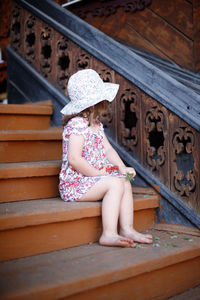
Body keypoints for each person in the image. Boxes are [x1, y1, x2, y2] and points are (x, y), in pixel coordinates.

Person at [59, 69, 152, 248]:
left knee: (123, 180)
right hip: (75, 183)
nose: (106, 103)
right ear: (95, 103)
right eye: (104, 100)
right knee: (115, 183)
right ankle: (109, 233)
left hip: (92, 177)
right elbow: (74, 159)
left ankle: (127, 228)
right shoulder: (77, 125)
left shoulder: (96, 125)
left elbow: (108, 150)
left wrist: (121, 167)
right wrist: (98, 174)